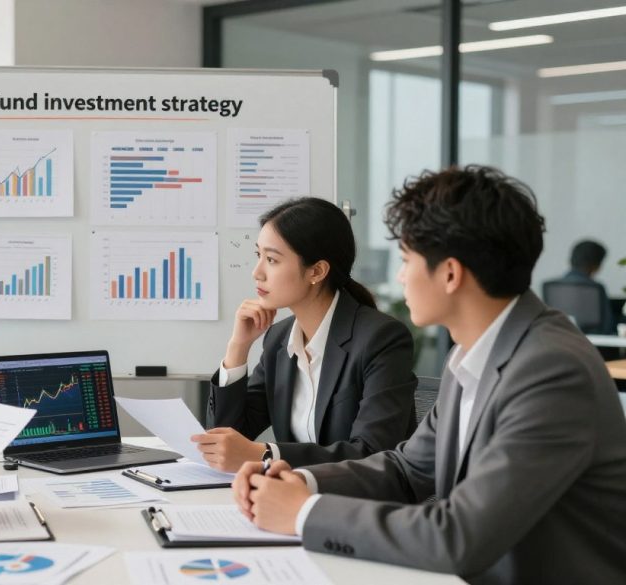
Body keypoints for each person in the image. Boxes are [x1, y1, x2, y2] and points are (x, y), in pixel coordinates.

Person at [232, 166, 626, 584]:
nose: (400, 277)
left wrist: (303, 513)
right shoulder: (474, 353)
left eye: (406, 260)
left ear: (450, 274)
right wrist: (299, 482)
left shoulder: (551, 371)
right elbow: (408, 470)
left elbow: (459, 536)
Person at [193, 197, 417, 472]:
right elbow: (226, 442)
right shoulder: (278, 340)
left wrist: (267, 455)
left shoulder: (381, 339)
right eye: (258, 256)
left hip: (360, 505)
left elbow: (372, 453)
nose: (257, 272)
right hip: (293, 500)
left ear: (316, 271)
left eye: (272, 259)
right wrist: (238, 347)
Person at [542, 239, 616, 335]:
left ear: (571, 260)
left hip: (557, 343)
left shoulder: (551, 287)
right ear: (597, 265)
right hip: (592, 347)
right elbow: (607, 328)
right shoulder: (596, 288)